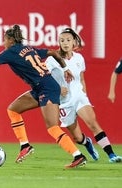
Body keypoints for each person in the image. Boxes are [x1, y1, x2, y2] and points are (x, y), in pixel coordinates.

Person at [0, 24, 87, 168]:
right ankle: (25, 145)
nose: (3, 43)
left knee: (52, 127)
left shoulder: (11, 52)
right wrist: (65, 68)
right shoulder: (29, 49)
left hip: (47, 88)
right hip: (40, 87)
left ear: (11, 41)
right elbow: (53, 52)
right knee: (13, 110)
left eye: (4, 40)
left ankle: (78, 155)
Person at [45, 28, 122, 163]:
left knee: (93, 123)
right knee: (77, 138)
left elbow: (81, 78)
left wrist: (84, 95)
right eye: (62, 40)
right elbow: (44, 78)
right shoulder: (52, 59)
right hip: (64, 101)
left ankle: (111, 155)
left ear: (74, 41)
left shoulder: (79, 58)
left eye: (68, 40)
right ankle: (87, 143)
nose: (65, 43)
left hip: (79, 96)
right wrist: (57, 89)